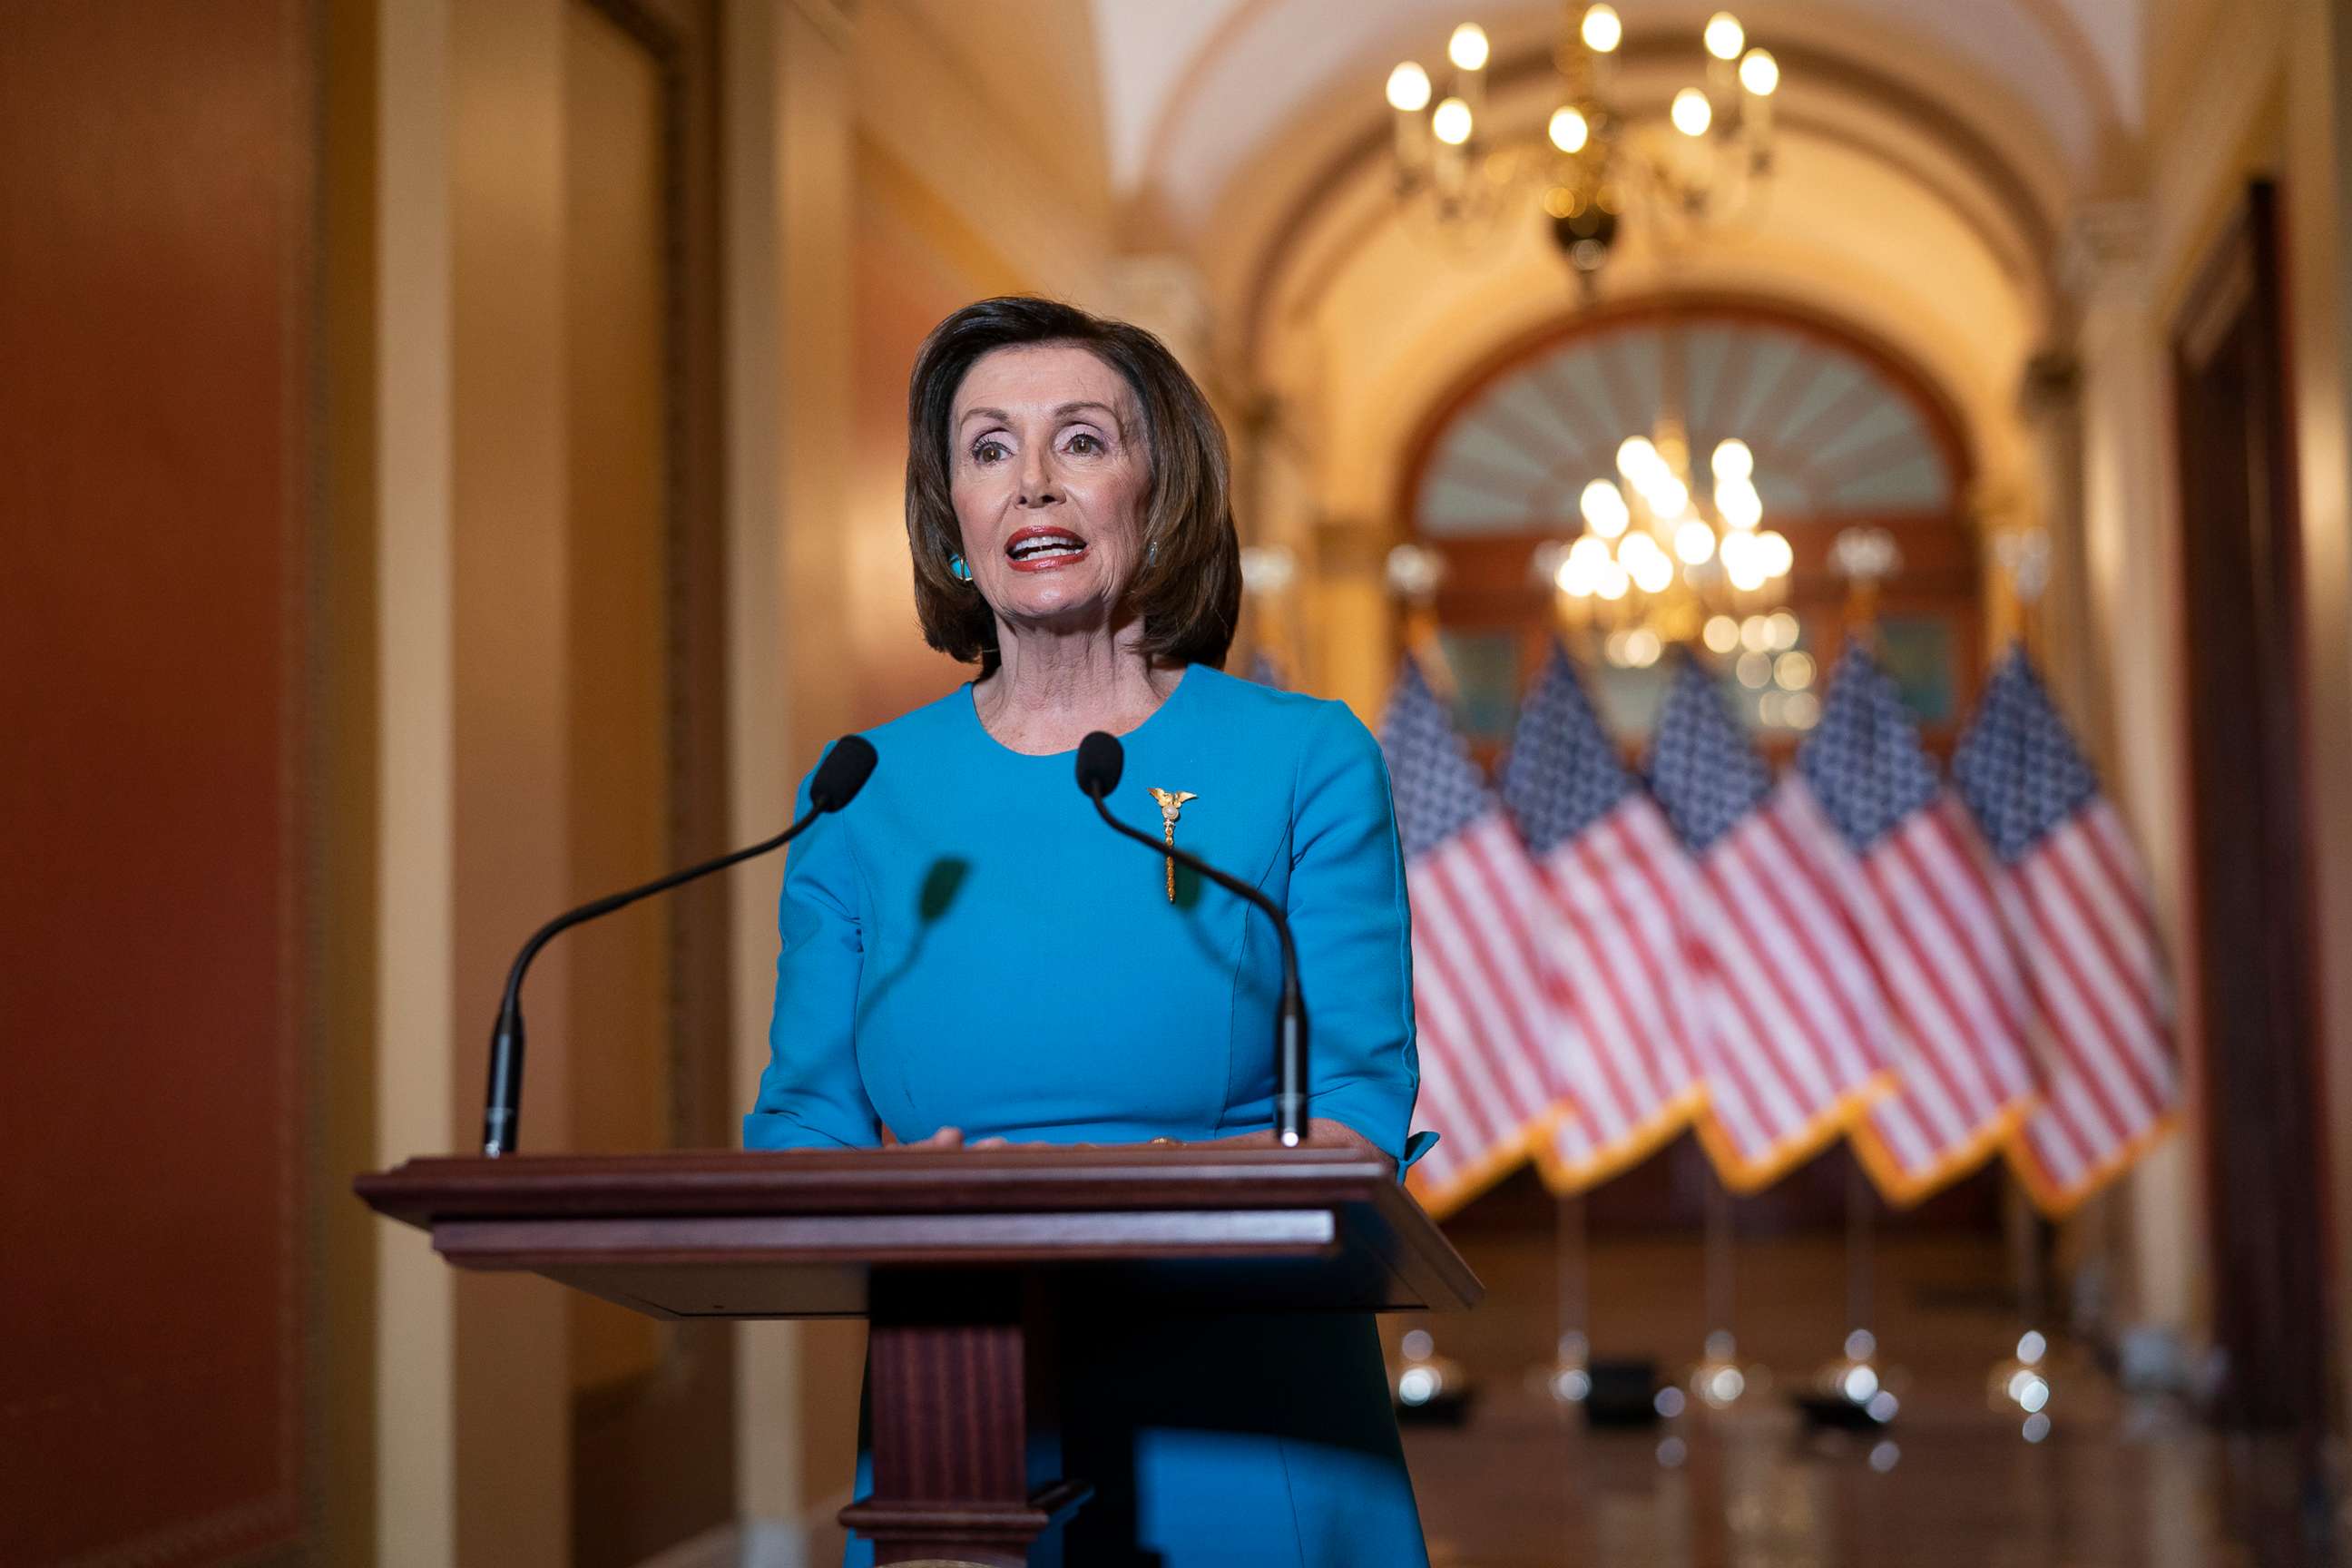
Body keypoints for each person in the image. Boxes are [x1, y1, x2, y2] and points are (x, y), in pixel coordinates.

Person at [744, 295, 1433, 1567]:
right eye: (989, 450)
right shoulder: (858, 792)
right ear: (951, 518)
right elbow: (801, 1125)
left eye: (1082, 442)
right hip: (958, 1428)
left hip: (1248, 1408)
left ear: (1156, 493)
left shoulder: (1302, 759)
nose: (1034, 485)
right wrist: (890, 1197)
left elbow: (1354, 1104)